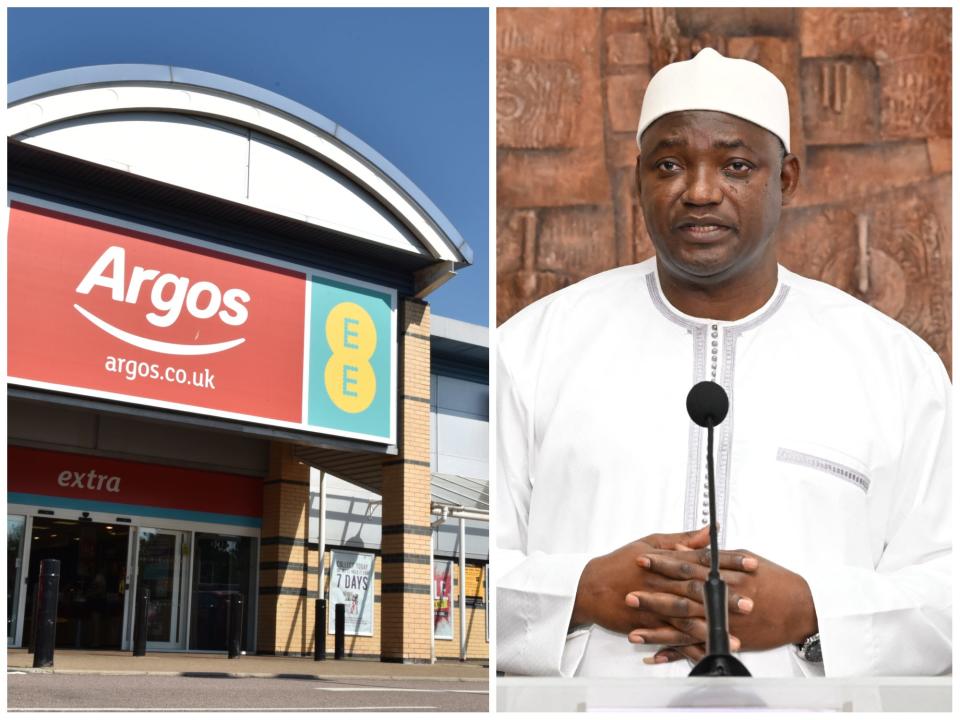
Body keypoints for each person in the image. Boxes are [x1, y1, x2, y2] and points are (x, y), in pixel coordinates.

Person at [496, 48, 951, 678]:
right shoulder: (533, 349)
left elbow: (946, 589)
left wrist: (814, 611)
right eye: (670, 165)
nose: (700, 192)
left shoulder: (895, 367)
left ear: (785, 179)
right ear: (638, 180)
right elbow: (464, 562)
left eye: (736, 165)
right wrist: (583, 592)